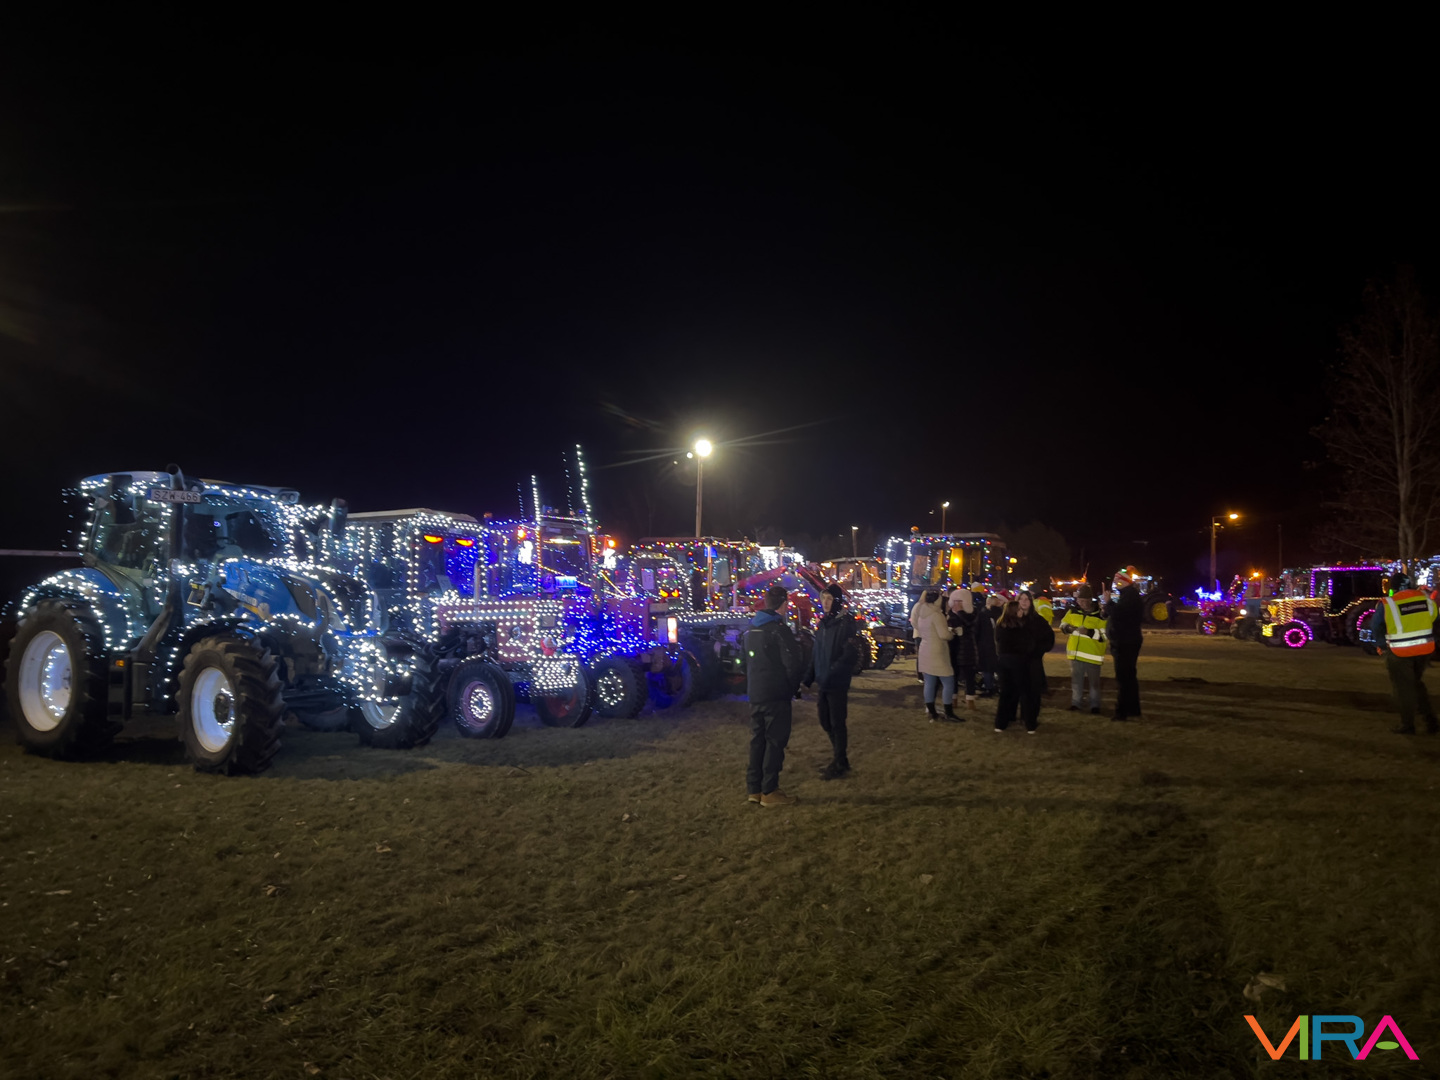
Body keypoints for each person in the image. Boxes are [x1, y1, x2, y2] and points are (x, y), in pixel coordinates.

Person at [744, 584, 806, 806]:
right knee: (774, 742)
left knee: (757, 741)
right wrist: (792, 688)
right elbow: (793, 664)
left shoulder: (750, 630)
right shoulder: (779, 630)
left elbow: (744, 663)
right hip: (776, 694)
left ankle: (754, 789)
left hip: (756, 694)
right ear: (784, 604)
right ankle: (770, 790)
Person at [1369, 572, 1438, 734]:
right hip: (1425, 649)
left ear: (1392, 588)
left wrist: (1381, 645)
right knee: (1416, 683)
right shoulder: (1425, 599)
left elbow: (1375, 626)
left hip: (1400, 651)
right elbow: (1435, 617)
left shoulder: (1388, 603)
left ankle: (1407, 725)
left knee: (1403, 689)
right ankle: (1431, 721)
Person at [804, 583, 859, 777]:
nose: (825, 602)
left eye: (829, 599)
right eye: (823, 598)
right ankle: (840, 759)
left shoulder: (846, 624)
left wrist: (832, 673)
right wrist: (808, 678)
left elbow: (849, 655)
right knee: (825, 721)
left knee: (837, 723)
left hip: (836, 683)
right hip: (823, 682)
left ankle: (839, 762)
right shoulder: (823, 624)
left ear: (836, 601)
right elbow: (816, 653)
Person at [993, 598, 1054, 733]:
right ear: (1014, 612)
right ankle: (1030, 724)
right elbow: (1027, 645)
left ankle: (1000, 724)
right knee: (1026, 693)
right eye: (1019, 609)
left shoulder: (1001, 625)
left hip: (1003, 663)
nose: (1022, 611)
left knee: (1005, 693)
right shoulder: (1020, 627)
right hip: (1019, 663)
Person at [1104, 566, 1144, 721]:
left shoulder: (1130, 597)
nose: (1114, 583)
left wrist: (1108, 603)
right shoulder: (1129, 596)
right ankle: (1133, 709)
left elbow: (1119, 615)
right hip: (1127, 641)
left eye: (1117, 580)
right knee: (1129, 677)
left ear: (1124, 582)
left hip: (1125, 642)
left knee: (1124, 678)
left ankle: (1122, 712)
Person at [1060, 583, 1107, 713]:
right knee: (1076, 682)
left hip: (1093, 655)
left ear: (1090, 600)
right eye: (1080, 600)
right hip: (1075, 655)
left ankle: (1095, 705)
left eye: (1085, 600)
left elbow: (1104, 636)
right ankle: (1076, 703)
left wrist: (1089, 632)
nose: (1083, 603)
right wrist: (1068, 628)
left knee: (1094, 684)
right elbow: (1063, 625)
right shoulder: (1072, 611)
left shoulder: (1100, 615)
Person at [912, 588, 957, 720]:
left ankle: (932, 711)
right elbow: (944, 635)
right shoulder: (937, 615)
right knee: (948, 680)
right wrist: (952, 633)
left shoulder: (921, 613)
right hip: (937, 650)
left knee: (929, 682)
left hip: (925, 648)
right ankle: (949, 712)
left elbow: (918, 627)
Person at [945, 587, 982, 711]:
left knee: (969, 675)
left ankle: (970, 699)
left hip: (967, 648)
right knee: (953, 675)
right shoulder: (951, 614)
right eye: (955, 601)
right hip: (954, 647)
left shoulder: (973, 612)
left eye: (959, 601)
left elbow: (970, 623)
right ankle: (953, 699)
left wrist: (960, 612)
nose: (957, 604)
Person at [1017, 591, 1052, 701]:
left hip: (1033, 661)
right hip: (1016, 660)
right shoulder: (1012, 619)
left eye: (1026, 599)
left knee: (1032, 692)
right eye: (1021, 599)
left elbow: (1049, 637)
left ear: (1031, 602)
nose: (1024, 602)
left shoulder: (1038, 620)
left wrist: (1038, 650)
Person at [977, 588, 1002, 697]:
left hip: (986, 645)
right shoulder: (1001, 614)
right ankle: (1000, 686)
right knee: (999, 668)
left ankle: (989, 687)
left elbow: (979, 631)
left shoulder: (984, 615)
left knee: (987, 668)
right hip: (999, 645)